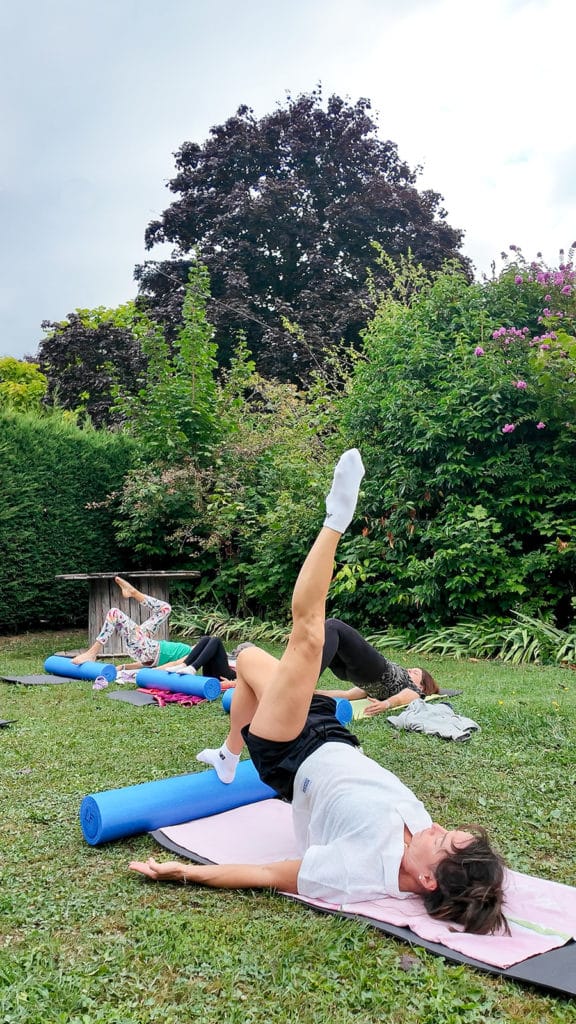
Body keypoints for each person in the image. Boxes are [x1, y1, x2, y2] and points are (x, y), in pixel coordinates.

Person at [129, 450, 507, 935]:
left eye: (442, 839)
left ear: (427, 880)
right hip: (333, 737)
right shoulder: (433, 850)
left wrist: (183, 871)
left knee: (310, 633)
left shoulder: (357, 872)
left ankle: (337, 517)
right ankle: (227, 754)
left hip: (290, 754)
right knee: (246, 658)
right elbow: (480, 883)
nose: (437, 828)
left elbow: (269, 874)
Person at [317, 618, 439, 716]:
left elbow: (407, 696)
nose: (409, 670)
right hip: (356, 675)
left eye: (415, 673)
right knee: (327, 634)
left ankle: (303, 683)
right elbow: (347, 695)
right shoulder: (374, 690)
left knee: (333, 625)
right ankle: (304, 686)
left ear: (422, 686)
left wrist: (387, 704)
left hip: (377, 670)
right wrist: (314, 693)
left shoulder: (414, 690)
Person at [71, 577, 190, 669]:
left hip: (149, 649)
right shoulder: (199, 649)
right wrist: (124, 667)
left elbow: (174, 664)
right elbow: (147, 663)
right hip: (148, 643)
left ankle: (92, 653)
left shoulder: (194, 654)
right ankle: (133, 592)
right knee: (166, 608)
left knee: (114, 613)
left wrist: (154, 672)